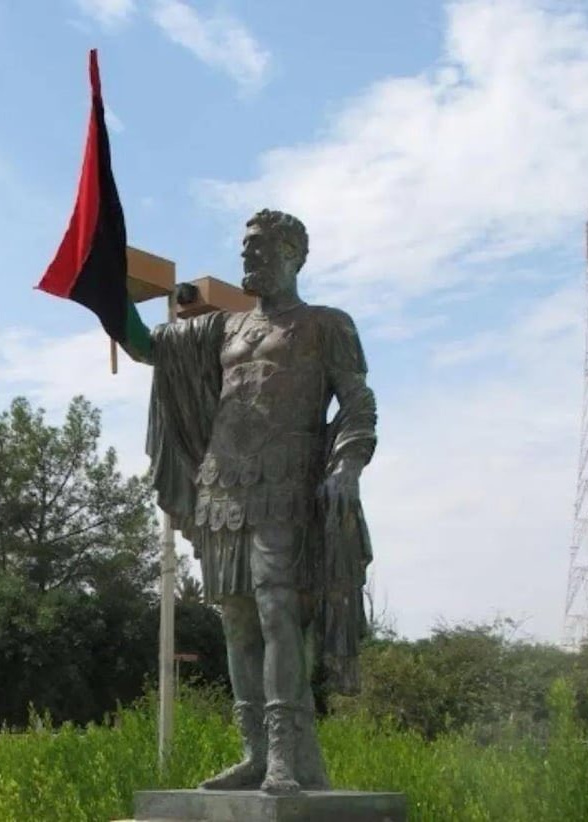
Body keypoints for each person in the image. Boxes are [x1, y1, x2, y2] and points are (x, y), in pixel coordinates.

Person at [129, 209, 377, 793]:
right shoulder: (223, 329)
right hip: (225, 486)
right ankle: (255, 754)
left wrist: (347, 464)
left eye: (261, 247)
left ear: (295, 255)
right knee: (237, 617)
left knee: (277, 611)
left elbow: (358, 403)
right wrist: (102, 291)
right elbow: (148, 350)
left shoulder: (325, 324)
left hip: (287, 483)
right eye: (245, 248)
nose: (249, 257)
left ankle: (288, 754)